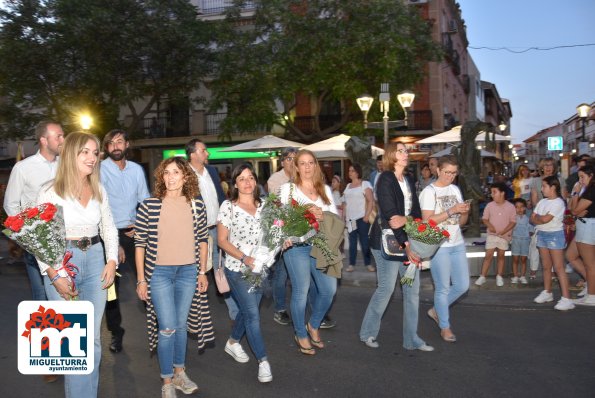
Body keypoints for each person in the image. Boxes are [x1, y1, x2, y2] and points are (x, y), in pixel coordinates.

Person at [36, 132, 119, 397]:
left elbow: (108, 226)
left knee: (92, 340)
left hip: (95, 259)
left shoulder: (98, 189)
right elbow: (40, 237)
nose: (92, 158)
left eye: (95, 153)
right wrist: (53, 272)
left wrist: (112, 260)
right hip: (62, 260)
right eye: (85, 151)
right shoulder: (50, 191)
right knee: (72, 342)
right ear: (71, 154)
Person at [135, 157, 213, 397]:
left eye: (175, 172)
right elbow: (140, 243)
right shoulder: (149, 205)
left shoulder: (197, 205)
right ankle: (166, 381)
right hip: (159, 273)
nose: (170, 177)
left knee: (180, 326)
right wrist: (141, 279)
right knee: (167, 327)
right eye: (166, 173)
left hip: (188, 272)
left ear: (186, 177)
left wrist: (201, 271)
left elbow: (202, 240)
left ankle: (180, 373)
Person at [3, 121, 63, 384]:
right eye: (58, 135)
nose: (62, 139)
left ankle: (68, 354)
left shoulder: (67, 165)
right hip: (37, 245)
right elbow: (10, 205)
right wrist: (28, 235)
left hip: (66, 244)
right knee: (43, 302)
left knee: (66, 298)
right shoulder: (23, 168)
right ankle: (48, 361)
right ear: (43, 139)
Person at [359, 142, 433, 352]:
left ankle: (411, 339)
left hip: (406, 240)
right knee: (386, 289)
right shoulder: (385, 179)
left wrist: (407, 222)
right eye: (400, 150)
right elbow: (392, 218)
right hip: (387, 244)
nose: (405, 153)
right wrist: (407, 244)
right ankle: (367, 332)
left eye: (405, 151)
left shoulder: (408, 179)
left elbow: (416, 213)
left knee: (412, 291)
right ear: (391, 155)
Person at [279, 149, 338, 355]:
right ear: (296, 166)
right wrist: (306, 213)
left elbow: (335, 218)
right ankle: (300, 334)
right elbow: (283, 219)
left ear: (315, 165)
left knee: (329, 289)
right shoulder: (288, 189)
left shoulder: (325, 190)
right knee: (301, 291)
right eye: (302, 163)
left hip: (320, 244)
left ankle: (313, 324)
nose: (306, 167)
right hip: (296, 247)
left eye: (310, 163)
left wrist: (323, 214)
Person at [217, 163, 272, 383]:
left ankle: (232, 343)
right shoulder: (228, 207)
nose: (247, 182)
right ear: (235, 183)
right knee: (253, 314)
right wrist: (244, 257)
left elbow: (273, 234)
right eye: (242, 178)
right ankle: (263, 361)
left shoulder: (265, 206)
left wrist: (282, 241)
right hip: (237, 268)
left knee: (248, 312)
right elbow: (222, 240)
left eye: (251, 178)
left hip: (260, 268)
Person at [100, 129, 150, 353]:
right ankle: (116, 332)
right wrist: (114, 242)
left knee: (148, 279)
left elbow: (145, 202)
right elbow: (100, 207)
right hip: (109, 234)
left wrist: (140, 226)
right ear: (106, 148)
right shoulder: (99, 170)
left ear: (127, 144)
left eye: (119, 142)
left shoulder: (137, 170)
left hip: (134, 231)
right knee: (111, 288)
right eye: (111, 143)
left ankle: (158, 325)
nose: (115, 146)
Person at [186, 138, 238, 320]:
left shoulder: (212, 171)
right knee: (196, 273)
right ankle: (193, 315)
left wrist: (228, 220)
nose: (207, 153)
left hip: (217, 230)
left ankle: (234, 312)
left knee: (221, 270)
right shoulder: (183, 175)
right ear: (193, 155)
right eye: (203, 150)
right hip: (195, 233)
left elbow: (221, 198)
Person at [419, 155, 470, 343]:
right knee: (442, 288)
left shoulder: (455, 189)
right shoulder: (429, 192)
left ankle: (436, 310)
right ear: (438, 170)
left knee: (462, 285)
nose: (450, 176)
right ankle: (445, 327)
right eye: (447, 172)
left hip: (457, 242)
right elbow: (427, 221)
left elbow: (461, 221)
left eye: (454, 173)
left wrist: (464, 212)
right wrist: (452, 210)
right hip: (438, 245)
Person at [531, 176, 574, 311]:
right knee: (546, 266)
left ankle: (567, 298)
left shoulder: (559, 203)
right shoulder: (542, 202)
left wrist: (539, 219)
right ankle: (547, 292)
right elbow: (534, 218)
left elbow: (544, 219)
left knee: (559, 267)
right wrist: (539, 219)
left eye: (544, 186)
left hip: (555, 235)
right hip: (542, 234)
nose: (541, 189)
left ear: (553, 187)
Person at [266, 147, 298, 326]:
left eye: (295, 159)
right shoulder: (275, 180)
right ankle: (280, 309)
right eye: (289, 159)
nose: (293, 162)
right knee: (281, 273)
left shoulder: (303, 176)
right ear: (283, 161)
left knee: (302, 273)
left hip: (301, 231)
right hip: (282, 231)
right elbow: (279, 205)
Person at [528, 157, 567, 279]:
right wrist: (542, 210)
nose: (548, 167)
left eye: (550, 165)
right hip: (539, 215)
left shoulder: (560, 180)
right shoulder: (535, 181)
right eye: (545, 165)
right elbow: (534, 202)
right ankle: (536, 271)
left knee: (555, 249)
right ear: (541, 168)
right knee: (537, 245)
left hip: (555, 217)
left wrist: (550, 210)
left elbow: (564, 199)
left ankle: (555, 272)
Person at [475, 183, 516, 287]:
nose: (492, 194)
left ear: (502, 193)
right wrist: (490, 226)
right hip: (492, 235)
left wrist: (503, 231)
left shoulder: (510, 206)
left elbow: (513, 222)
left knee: (501, 256)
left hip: (504, 236)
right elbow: (484, 218)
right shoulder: (490, 205)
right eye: (491, 192)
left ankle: (499, 276)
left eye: (494, 192)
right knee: (488, 255)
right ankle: (483, 276)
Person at [569, 163, 595, 306]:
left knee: (590, 264)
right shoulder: (588, 189)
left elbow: (574, 210)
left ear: (591, 176)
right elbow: (574, 210)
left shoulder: (591, 191)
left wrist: (575, 194)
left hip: (588, 226)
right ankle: (590, 289)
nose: (580, 180)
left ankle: (592, 296)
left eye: (582, 177)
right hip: (583, 224)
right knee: (571, 256)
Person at [343, 164, 375, 273]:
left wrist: (366, 216)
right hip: (351, 220)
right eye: (349, 170)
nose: (350, 172)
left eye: (352, 170)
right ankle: (351, 264)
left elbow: (371, 201)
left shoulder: (365, 184)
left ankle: (368, 263)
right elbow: (345, 203)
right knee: (352, 242)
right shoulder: (347, 186)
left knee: (364, 242)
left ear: (357, 172)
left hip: (362, 218)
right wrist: (343, 218)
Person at [510, 198, 532, 284]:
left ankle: (522, 276)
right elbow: (510, 228)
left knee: (523, 259)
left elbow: (531, 229)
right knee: (515, 259)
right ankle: (515, 276)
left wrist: (529, 234)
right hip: (515, 240)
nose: (519, 209)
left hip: (525, 241)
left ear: (525, 208)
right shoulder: (512, 218)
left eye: (521, 207)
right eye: (517, 207)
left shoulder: (528, 218)